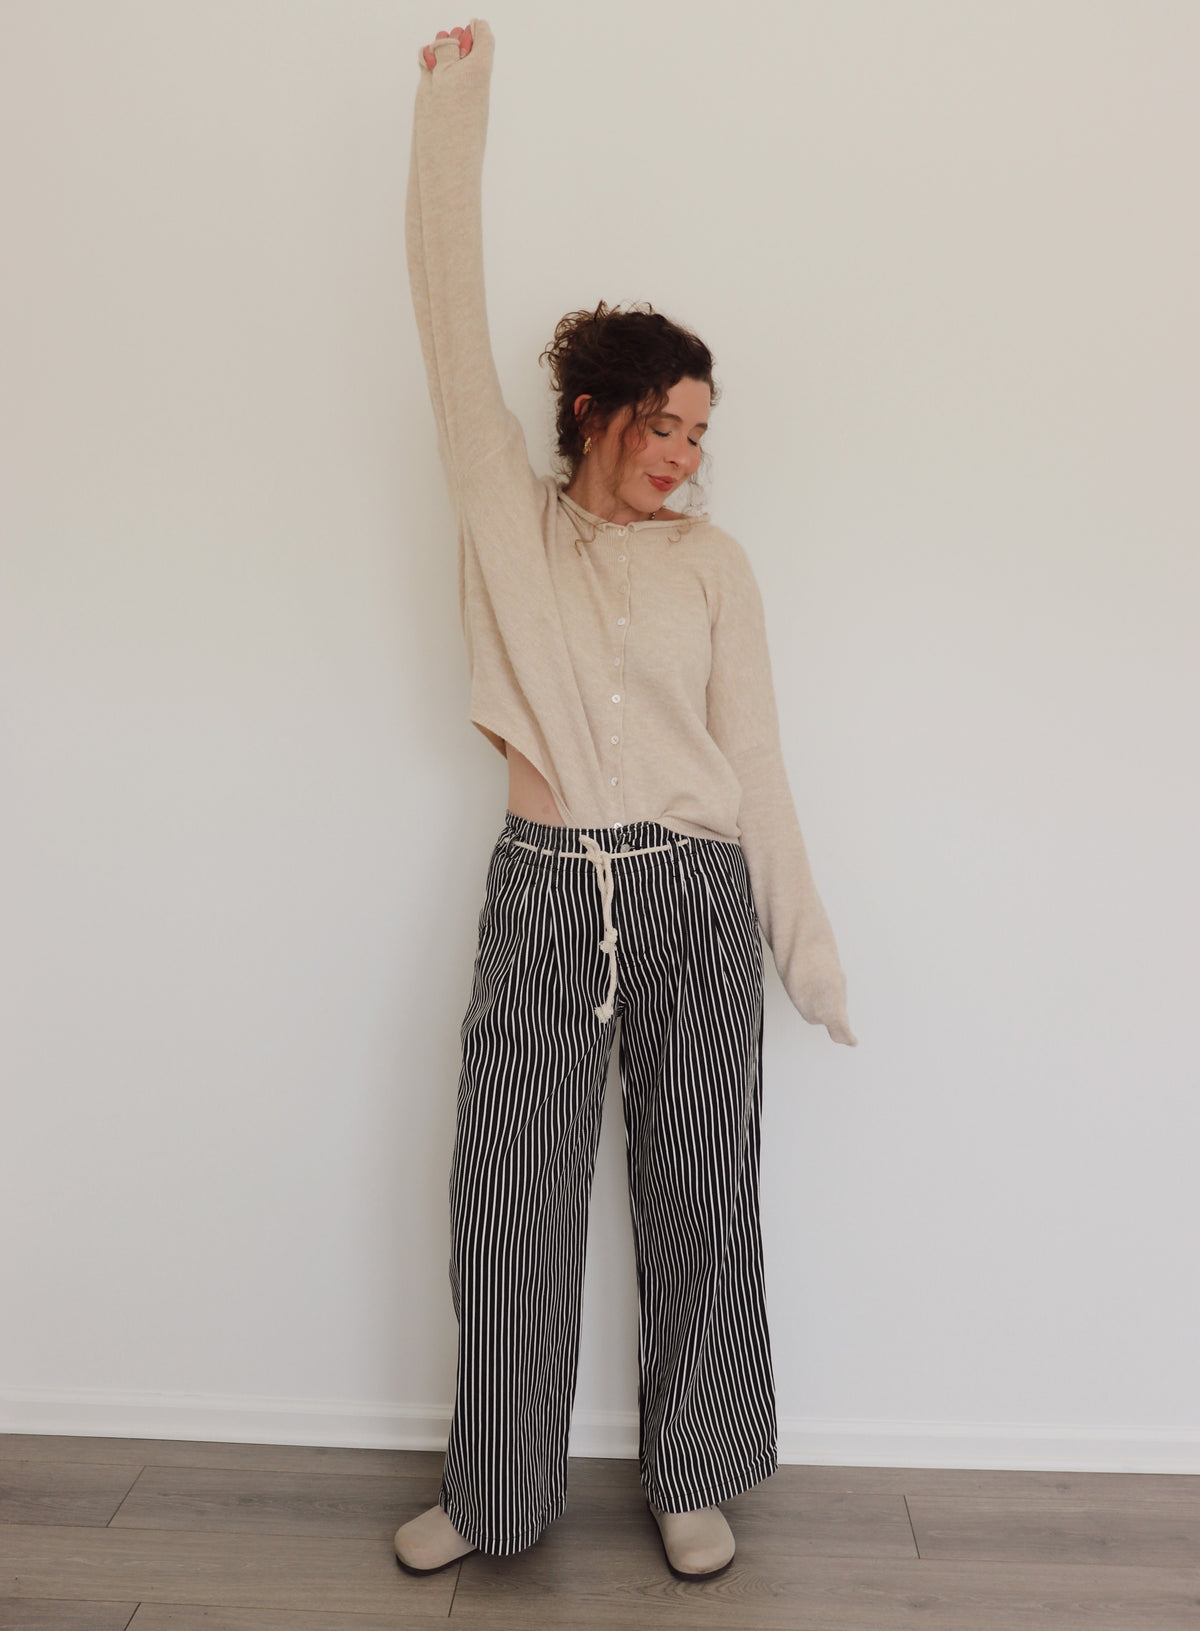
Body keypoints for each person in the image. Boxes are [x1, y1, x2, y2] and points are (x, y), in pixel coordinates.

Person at [394, 17, 857, 1584]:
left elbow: (764, 764)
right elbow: (449, 321)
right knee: (506, 1207)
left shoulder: (717, 570)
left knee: (701, 1198)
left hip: (694, 900)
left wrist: (806, 945)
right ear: (596, 412)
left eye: (702, 436)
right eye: (665, 426)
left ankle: (696, 1470)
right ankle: (497, 1496)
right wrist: (454, 116)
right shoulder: (505, 524)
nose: (685, 458)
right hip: (543, 889)